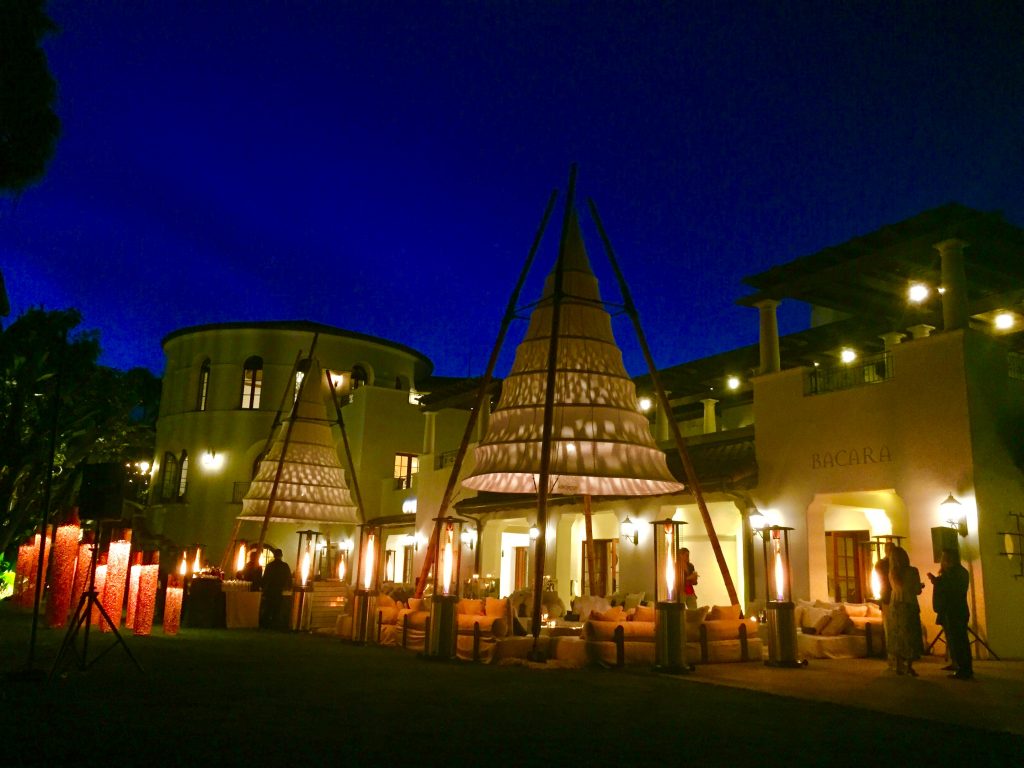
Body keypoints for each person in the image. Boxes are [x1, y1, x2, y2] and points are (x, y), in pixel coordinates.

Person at [929, 548, 973, 680]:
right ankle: (957, 664)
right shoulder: (958, 572)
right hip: (953, 610)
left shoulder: (956, 573)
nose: (942, 561)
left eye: (944, 558)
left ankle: (964, 669)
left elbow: (951, 590)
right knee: (953, 640)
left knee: (959, 641)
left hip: (955, 611)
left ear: (949, 559)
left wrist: (937, 582)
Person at [889, 545, 924, 676]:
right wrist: (920, 586)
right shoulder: (913, 571)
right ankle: (909, 666)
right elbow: (916, 590)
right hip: (909, 604)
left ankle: (898, 665)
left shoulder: (892, 573)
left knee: (897, 635)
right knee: (910, 634)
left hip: (895, 605)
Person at [874, 542, 895, 669]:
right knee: (889, 628)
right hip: (887, 598)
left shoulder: (887, 564)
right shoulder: (882, 564)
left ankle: (895, 656)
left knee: (893, 628)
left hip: (892, 598)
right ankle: (891, 655)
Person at [260, 548, 292, 629]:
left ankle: (265, 623)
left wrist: (263, 587)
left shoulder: (270, 566)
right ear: (281, 555)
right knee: (277, 607)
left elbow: (265, 578)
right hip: (279, 589)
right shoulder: (284, 566)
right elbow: (288, 578)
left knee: (269, 606)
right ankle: (275, 623)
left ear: (274, 555)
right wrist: (288, 586)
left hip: (271, 588)